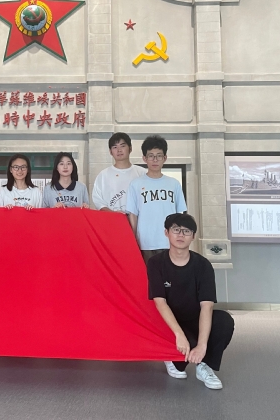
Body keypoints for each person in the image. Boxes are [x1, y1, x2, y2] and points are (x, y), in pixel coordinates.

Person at [147, 214, 234, 390]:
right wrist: (179, 335)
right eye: (176, 229)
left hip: (195, 317)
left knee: (224, 321)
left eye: (186, 231)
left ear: (193, 236)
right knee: (183, 356)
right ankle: (172, 358)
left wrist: (202, 346)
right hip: (171, 322)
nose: (181, 234)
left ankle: (205, 365)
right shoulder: (155, 263)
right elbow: (160, 302)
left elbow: (207, 306)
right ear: (166, 232)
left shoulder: (203, 265)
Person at [126, 135, 187, 263]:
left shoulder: (174, 184)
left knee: (170, 275)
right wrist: (133, 240)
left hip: (169, 242)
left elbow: (180, 215)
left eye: (159, 156)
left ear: (165, 158)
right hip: (145, 243)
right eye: (151, 156)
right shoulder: (135, 184)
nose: (155, 160)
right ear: (144, 158)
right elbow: (133, 215)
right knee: (149, 275)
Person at [91, 132, 146, 213]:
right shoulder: (103, 175)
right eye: (115, 147)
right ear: (110, 152)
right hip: (112, 219)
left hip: (138, 219)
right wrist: (114, 215)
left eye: (122, 146)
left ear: (130, 148)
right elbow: (98, 202)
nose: (119, 150)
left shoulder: (142, 173)